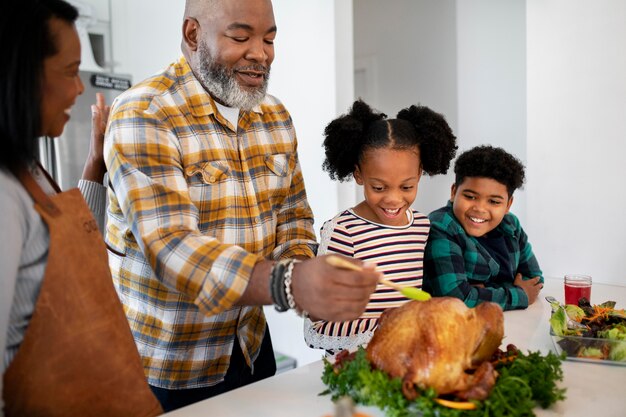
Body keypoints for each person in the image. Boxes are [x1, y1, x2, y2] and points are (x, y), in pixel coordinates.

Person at [103, 0, 380, 412]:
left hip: (250, 348)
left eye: (269, 39)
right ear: (193, 35)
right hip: (166, 367)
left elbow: (293, 215)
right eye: (241, 36)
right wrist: (288, 283)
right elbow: (171, 247)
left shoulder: (274, 116)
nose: (260, 53)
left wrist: (304, 271)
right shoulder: (145, 113)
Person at [0, 0, 162, 416]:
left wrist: (95, 162)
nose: (78, 89)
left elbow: (64, 240)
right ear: (23, 76)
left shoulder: (28, 169)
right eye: (70, 72)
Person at [303, 99, 458, 355]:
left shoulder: (420, 225)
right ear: (358, 174)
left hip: (408, 359)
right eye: (379, 187)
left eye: (407, 187)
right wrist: (390, 325)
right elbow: (318, 327)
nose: (394, 199)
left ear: (420, 173)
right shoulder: (344, 231)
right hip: (358, 366)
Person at [423, 145, 544, 311]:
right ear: (453, 192)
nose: (480, 208)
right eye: (470, 197)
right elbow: (456, 298)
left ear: (508, 204)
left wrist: (482, 292)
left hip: (508, 323)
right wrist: (518, 294)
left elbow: (534, 279)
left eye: (494, 202)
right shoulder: (441, 226)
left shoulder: (511, 226)